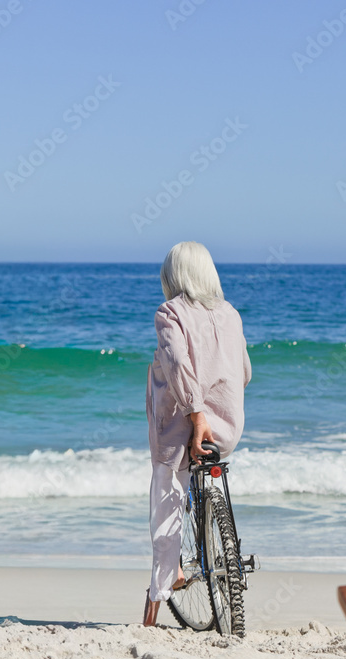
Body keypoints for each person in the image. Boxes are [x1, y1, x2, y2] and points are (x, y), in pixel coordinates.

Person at [142, 241, 251, 626]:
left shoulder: (169, 313)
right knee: (207, 482)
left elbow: (175, 361)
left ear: (172, 277)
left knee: (167, 497)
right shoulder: (230, 315)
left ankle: (164, 585)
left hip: (182, 427)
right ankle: (223, 547)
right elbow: (246, 371)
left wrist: (196, 411)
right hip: (225, 427)